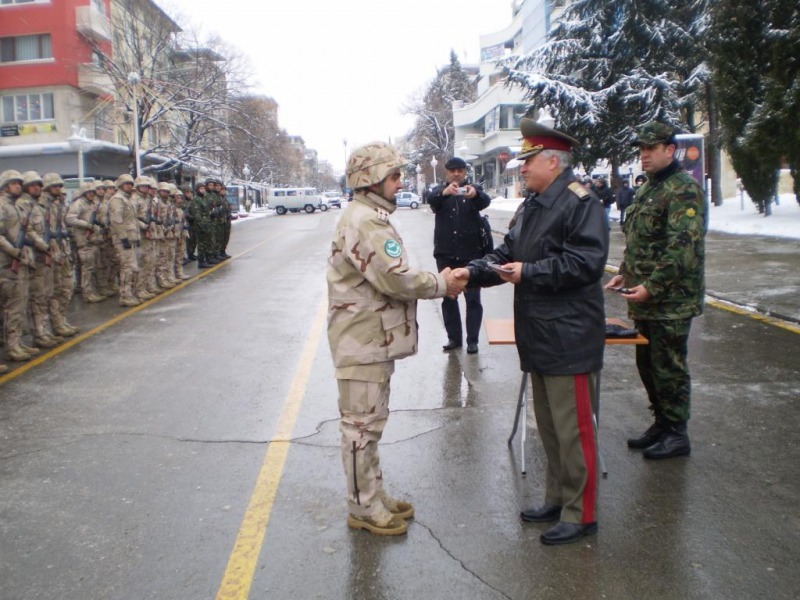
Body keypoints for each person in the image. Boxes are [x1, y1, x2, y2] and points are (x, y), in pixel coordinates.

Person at [453, 118, 608, 546]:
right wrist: (473, 270)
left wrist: (531, 272)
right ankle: (558, 499)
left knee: (574, 429)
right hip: (539, 335)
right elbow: (507, 254)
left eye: (528, 161)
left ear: (553, 162)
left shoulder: (582, 203)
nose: (521, 169)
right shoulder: (533, 204)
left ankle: (583, 513)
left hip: (570, 338)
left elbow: (585, 264)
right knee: (551, 428)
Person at [327, 141, 463, 536]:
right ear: (370, 179)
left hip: (371, 339)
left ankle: (372, 493)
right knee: (360, 428)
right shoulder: (365, 220)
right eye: (394, 175)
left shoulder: (372, 216)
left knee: (371, 424)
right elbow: (395, 277)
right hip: (361, 340)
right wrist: (442, 283)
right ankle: (362, 507)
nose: (400, 182)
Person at [606, 121, 706, 460]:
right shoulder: (650, 188)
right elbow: (641, 241)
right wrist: (625, 273)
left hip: (672, 300)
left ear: (670, 150)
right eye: (642, 150)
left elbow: (682, 247)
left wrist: (652, 286)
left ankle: (677, 432)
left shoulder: (683, 189)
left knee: (669, 366)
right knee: (647, 363)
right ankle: (662, 422)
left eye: (651, 149)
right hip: (645, 295)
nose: (644, 155)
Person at [428, 156, 492, 354]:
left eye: (460, 170)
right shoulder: (440, 192)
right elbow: (431, 201)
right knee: (449, 297)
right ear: (447, 173)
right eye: (452, 171)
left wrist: (474, 195)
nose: (456, 174)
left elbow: (485, 201)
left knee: (473, 299)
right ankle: (454, 338)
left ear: (465, 172)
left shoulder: (473, 191)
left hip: (471, 255)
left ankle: (472, 340)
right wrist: (445, 193)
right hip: (446, 254)